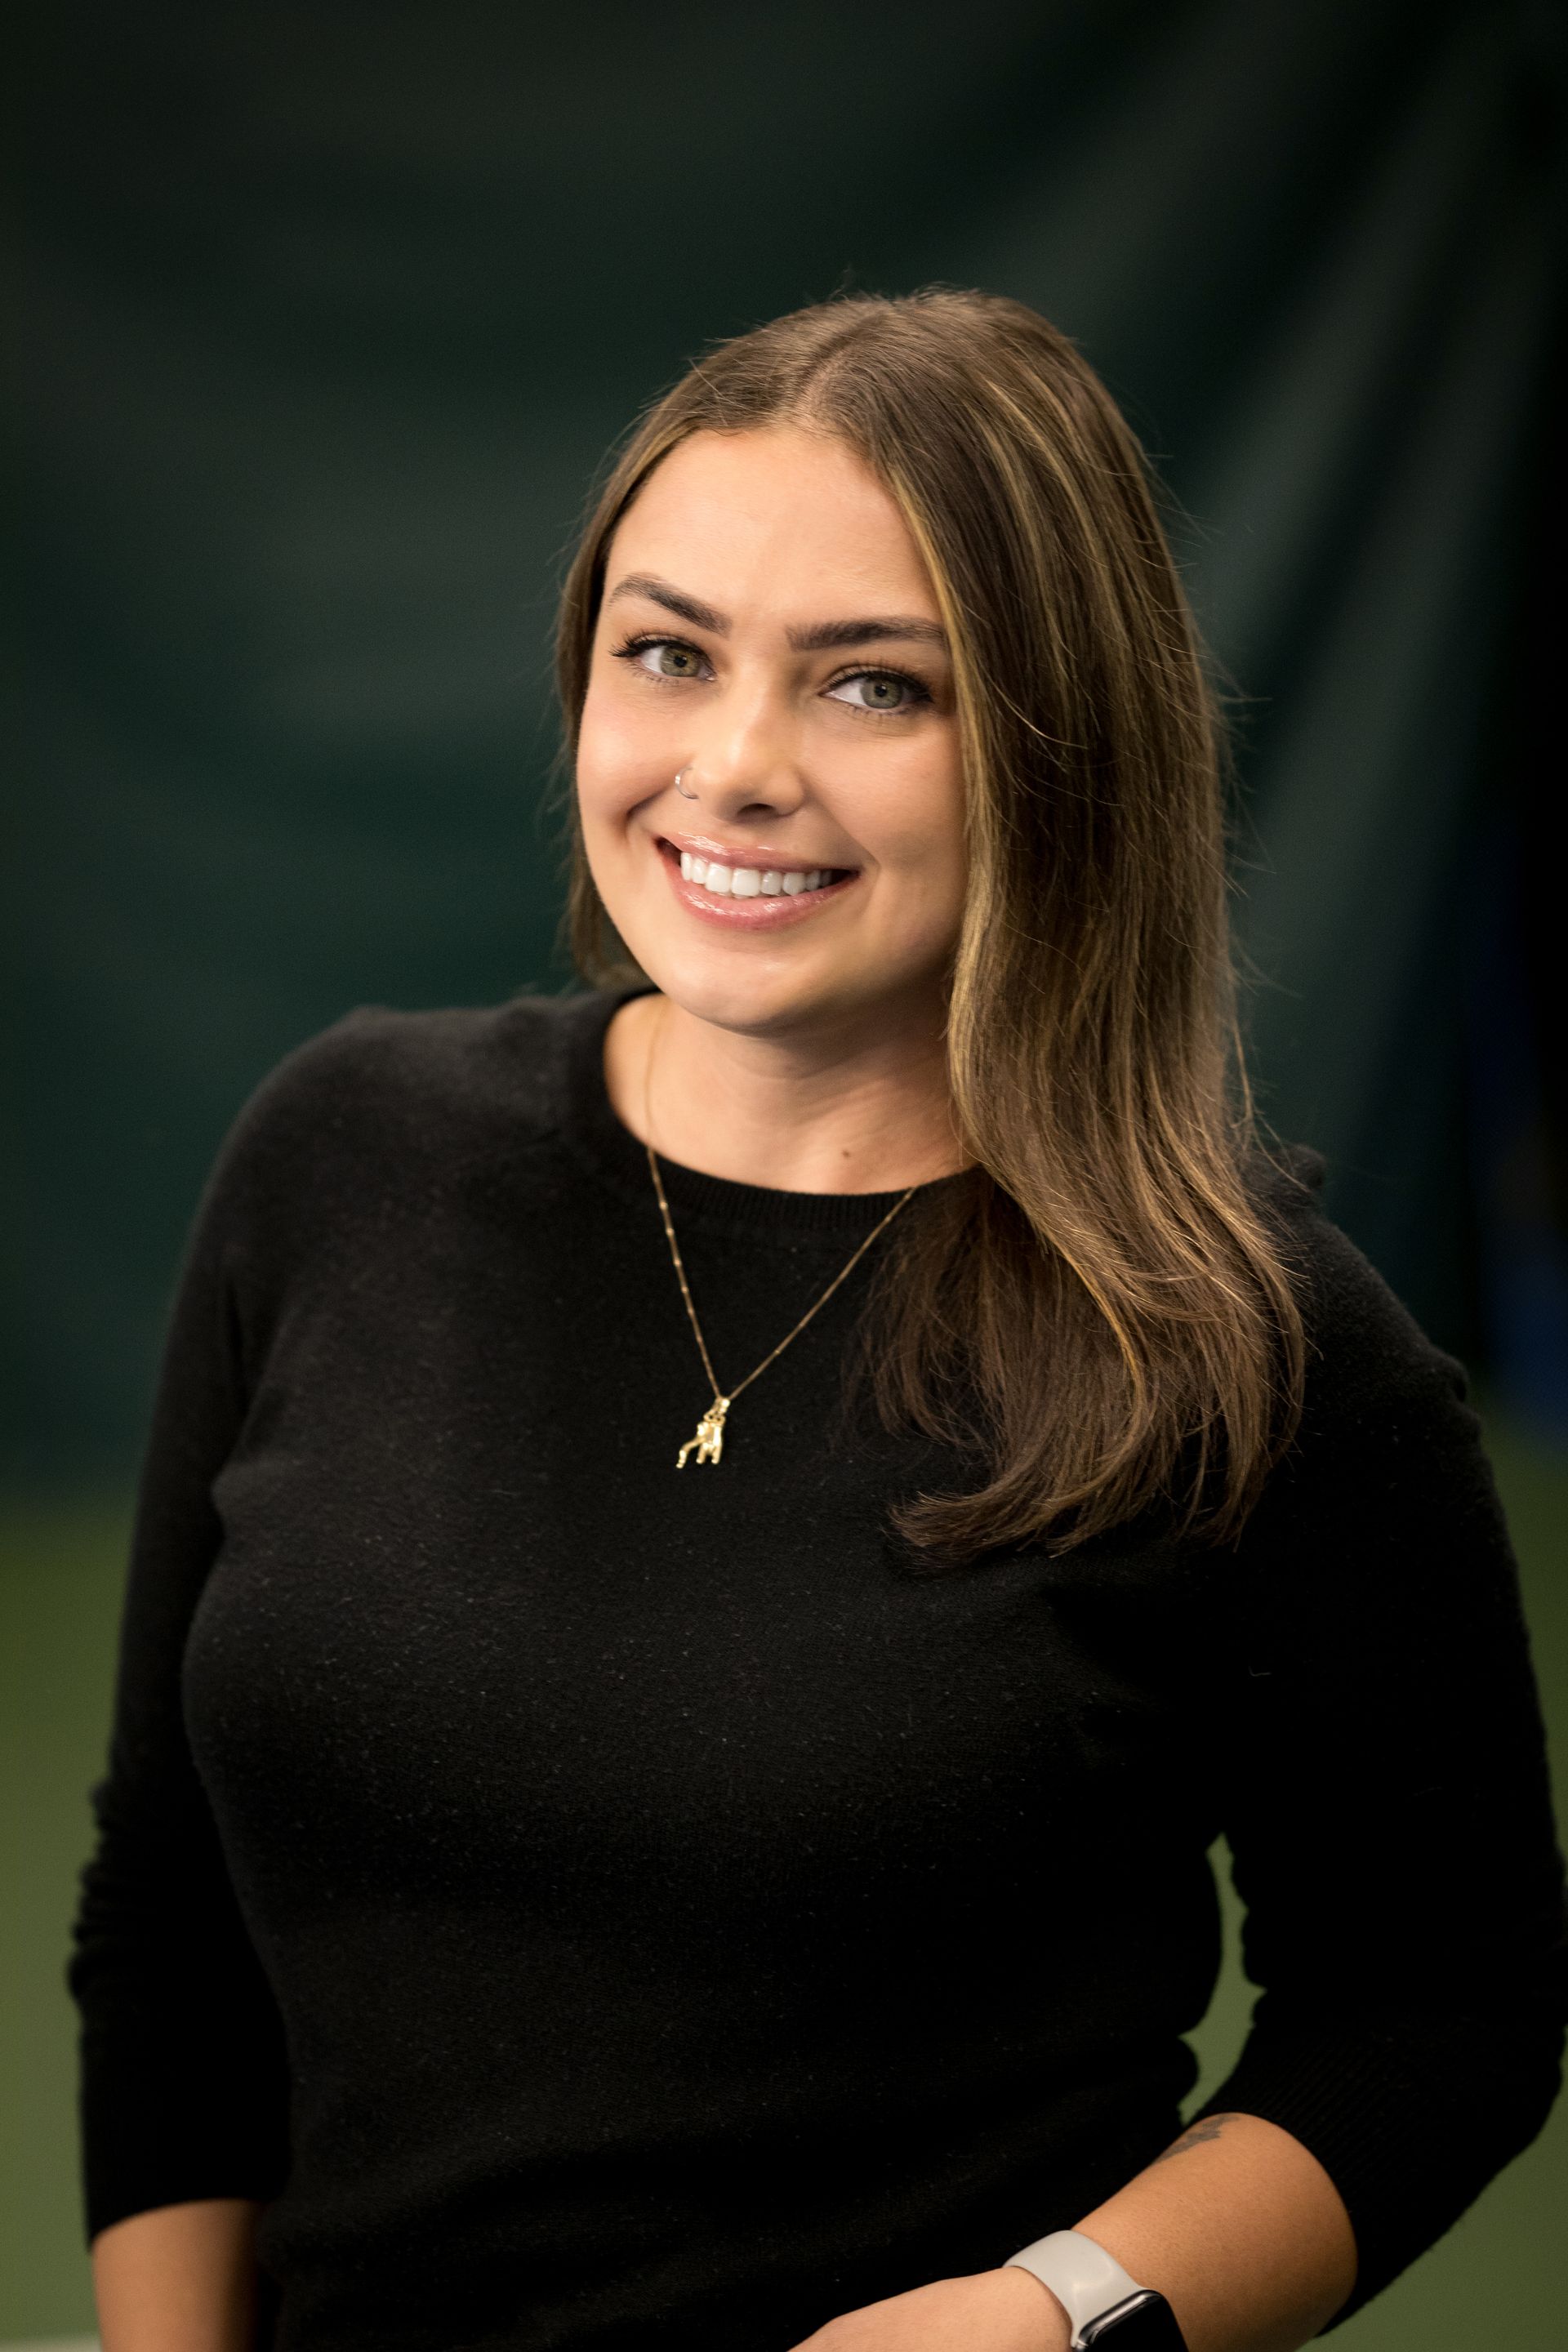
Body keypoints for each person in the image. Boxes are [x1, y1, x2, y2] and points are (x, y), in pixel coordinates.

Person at [72, 290, 1565, 2352]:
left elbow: (1445, 2009)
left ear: (1061, 750)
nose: (737, 767)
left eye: (875, 687)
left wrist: (1054, 2318)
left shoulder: (1258, 1349)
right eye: (667, 654)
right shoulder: (341, 1154)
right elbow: (164, 1910)